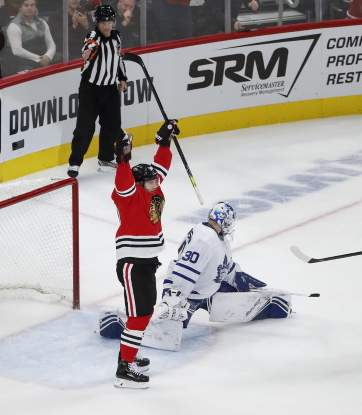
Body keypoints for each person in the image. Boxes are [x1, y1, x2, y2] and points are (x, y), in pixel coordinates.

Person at [99, 202, 294, 356]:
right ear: (225, 220)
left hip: (209, 289)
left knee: (240, 300)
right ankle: (118, 321)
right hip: (188, 294)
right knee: (168, 336)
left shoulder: (219, 238)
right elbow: (185, 270)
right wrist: (174, 298)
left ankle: (271, 304)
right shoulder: (204, 239)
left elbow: (222, 266)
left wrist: (238, 277)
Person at [110, 120, 179, 389]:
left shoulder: (154, 187)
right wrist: (123, 158)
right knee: (139, 316)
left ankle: (130, 355)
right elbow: (124, 180)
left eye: (155, 180)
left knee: (144, 312)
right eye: (149, 181)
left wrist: (164, 141)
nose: (155, 183)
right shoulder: (128, 195)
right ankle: (124, 370)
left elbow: (161, 166)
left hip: (147, 263)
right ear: (139, 183)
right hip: (132, 264)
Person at [66, 4, 126, 178]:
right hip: (91, 89)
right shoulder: (93, 35)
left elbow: (118, 58)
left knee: (112, 125)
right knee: (85, 127)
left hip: (110, 89)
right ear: (97, 23)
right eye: (103, 23)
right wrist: (88, 51)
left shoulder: (117, 36)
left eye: (109, 22)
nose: (106, 26)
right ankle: (75, 162)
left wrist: (122, 78)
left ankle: (105, 159)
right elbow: (89, 45)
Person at [6, 0, 57, 73]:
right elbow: (17, 51)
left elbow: (51, 44)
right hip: (24, 62)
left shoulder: (42, 23)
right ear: (20, 7)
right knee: (26, 70)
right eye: (26, 5)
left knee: (61, 58)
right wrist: (39, 59)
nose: (29, 8)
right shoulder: (14, 26)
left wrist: (48, 56)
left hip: (43, 56)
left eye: (32, 5)